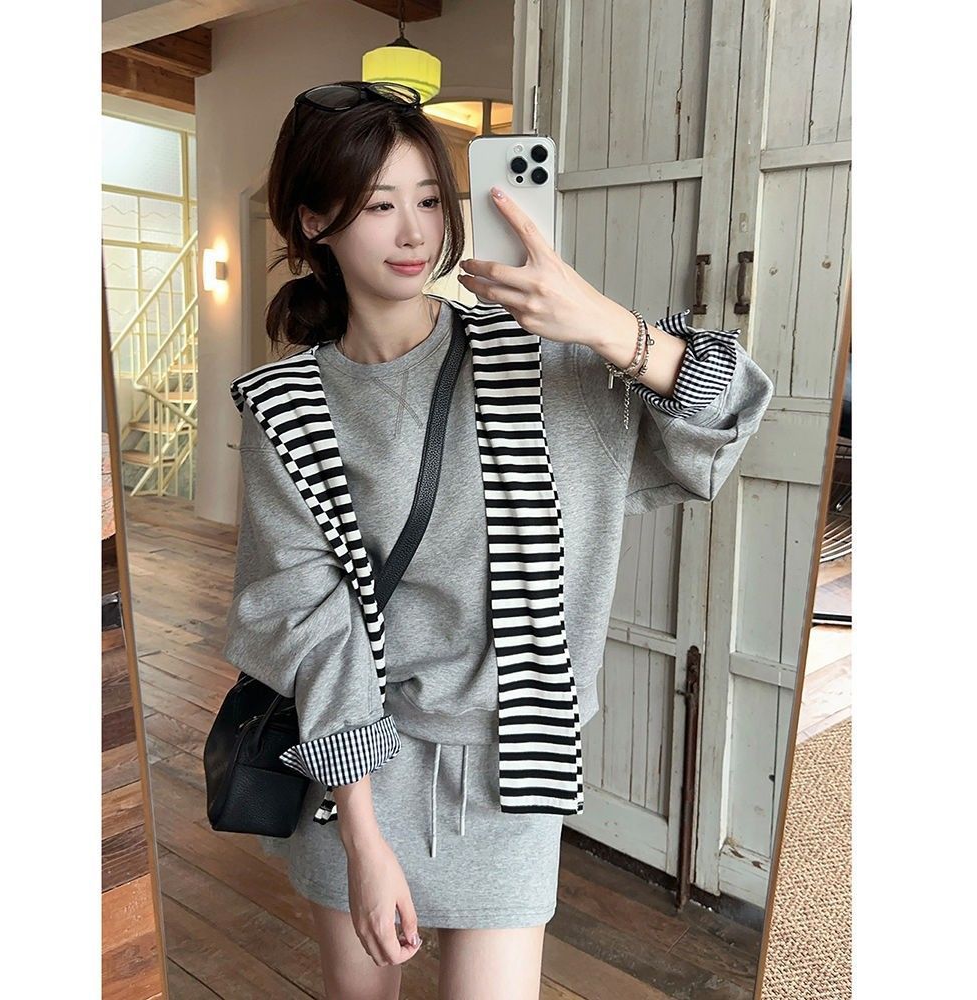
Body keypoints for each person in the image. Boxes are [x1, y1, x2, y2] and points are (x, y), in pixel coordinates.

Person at [223, 80, 774, 1000]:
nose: (413, 232)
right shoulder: (289, 405)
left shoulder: (534, 358)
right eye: (378, 205)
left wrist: (602, 324)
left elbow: (732, 412)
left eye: (430, 200)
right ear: (315, 221)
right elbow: (306, 624)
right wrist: (363, 839)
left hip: (517, 765)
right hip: (357, 766)